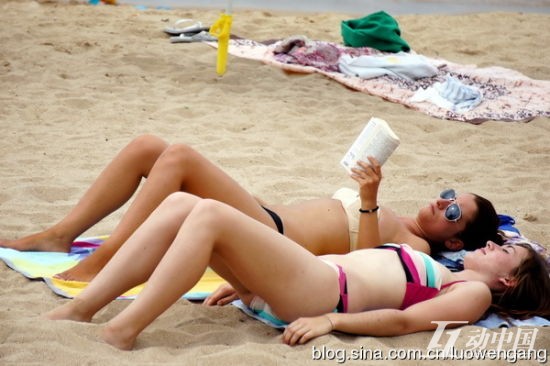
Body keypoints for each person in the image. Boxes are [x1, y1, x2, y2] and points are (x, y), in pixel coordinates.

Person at [45, 193, 550, 350]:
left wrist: (332, 323)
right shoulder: (445, 269)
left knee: (211, 215)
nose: (491, 245)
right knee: (183, 203)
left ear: (508, 279)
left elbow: (404, 323)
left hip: (320, 293)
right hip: (303, 278)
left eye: (505, 251)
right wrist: (249, 276)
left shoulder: (473, 296)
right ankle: (84, 307)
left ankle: (121, 329)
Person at [1, 135, 501, 281]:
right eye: (449, 192)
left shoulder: (415, 245)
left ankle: (103, 261)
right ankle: (60, 234)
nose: (443, 202)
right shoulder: (401, 216)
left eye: (453, 213)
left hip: (270, 236)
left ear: (454, 240)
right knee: (147, 148)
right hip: (266, 215)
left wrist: (367, 202)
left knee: (177, 158)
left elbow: (363, 265)